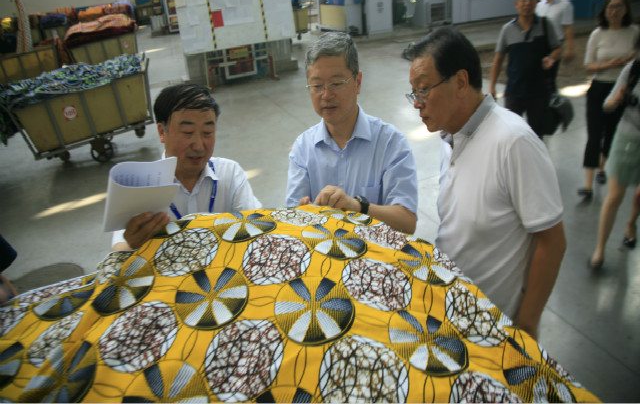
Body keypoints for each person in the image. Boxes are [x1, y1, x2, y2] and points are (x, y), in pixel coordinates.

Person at [404, 26, 566, 339]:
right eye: (414, 92)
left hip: (493, 328)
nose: (417, 103)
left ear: (460, 82)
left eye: (423, 90)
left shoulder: (513, 142)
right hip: (453, 310)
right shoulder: (450, 135)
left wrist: (527, 325)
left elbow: (553, 241)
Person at [286, 31, 418, 234]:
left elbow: (407, 223)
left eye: (337, 84)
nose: (326, 95)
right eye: (317, 85)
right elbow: (291, 220)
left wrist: (358, 207)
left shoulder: (390, 143)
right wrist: (304, 214)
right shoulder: (303, 149)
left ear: (358, 82)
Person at [112, 83, 261, 251]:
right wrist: (132, 245)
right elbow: (118, 249)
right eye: (188, 132)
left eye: (207, 132)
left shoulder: (230, 173)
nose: (198, 146)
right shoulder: (141, 187)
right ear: (162, 132)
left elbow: (257, 227)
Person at [579, 0, 638, 200]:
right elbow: (588, 66)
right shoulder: (597, 34)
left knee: (611, 132)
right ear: (605, 10)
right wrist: (609, 64)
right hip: (599, 88)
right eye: (611, 7)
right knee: (594, 134)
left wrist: (631, 59)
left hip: (622, 89)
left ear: (626, 10)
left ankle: (602, 167)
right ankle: (588, 185)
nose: (614, 11)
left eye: (619, 6)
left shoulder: (633, 32)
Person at [490, 0, 562, 138]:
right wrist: (492, 87)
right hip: (514, 92)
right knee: (511, 134)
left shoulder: (545, 25)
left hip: (539, 93)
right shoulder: (508, 29)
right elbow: (498, 58)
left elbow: (557, 48)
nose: (527, 3)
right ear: (516, 3)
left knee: (536, 136)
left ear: (537, 2)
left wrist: (551, 57)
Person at [588, 53, 640, 270]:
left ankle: (631, 223)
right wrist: (617, 99)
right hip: (628, 136)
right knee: (614, 196)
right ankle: (600, 249)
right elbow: (607, 105)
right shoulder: (633, 70)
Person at [535, 0, 575, 86]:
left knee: (550, 74)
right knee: (537, 74)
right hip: (540, 44)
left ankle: (551, 94)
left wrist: (569, 49)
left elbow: (568, 28)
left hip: (554, 46)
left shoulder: (565, 5)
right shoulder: (540, 5)